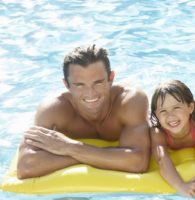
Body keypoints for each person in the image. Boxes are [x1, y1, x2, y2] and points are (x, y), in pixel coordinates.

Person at [17, 44, 150, 179]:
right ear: (66, 84)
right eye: (79, 85)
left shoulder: (130, 101)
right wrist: (100, 156)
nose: (90, 94)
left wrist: (69, 148)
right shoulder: (53, 109)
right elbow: (26, 166)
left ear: (111, 79)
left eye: (98, 82)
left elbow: (138, 163)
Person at [150, 80, 195, 197]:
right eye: (163, 111)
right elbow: (162, 159)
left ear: (190, 107)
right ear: (156, 115)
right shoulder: (157, 132)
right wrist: (180, 185)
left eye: (176, 107)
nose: (170, 115)